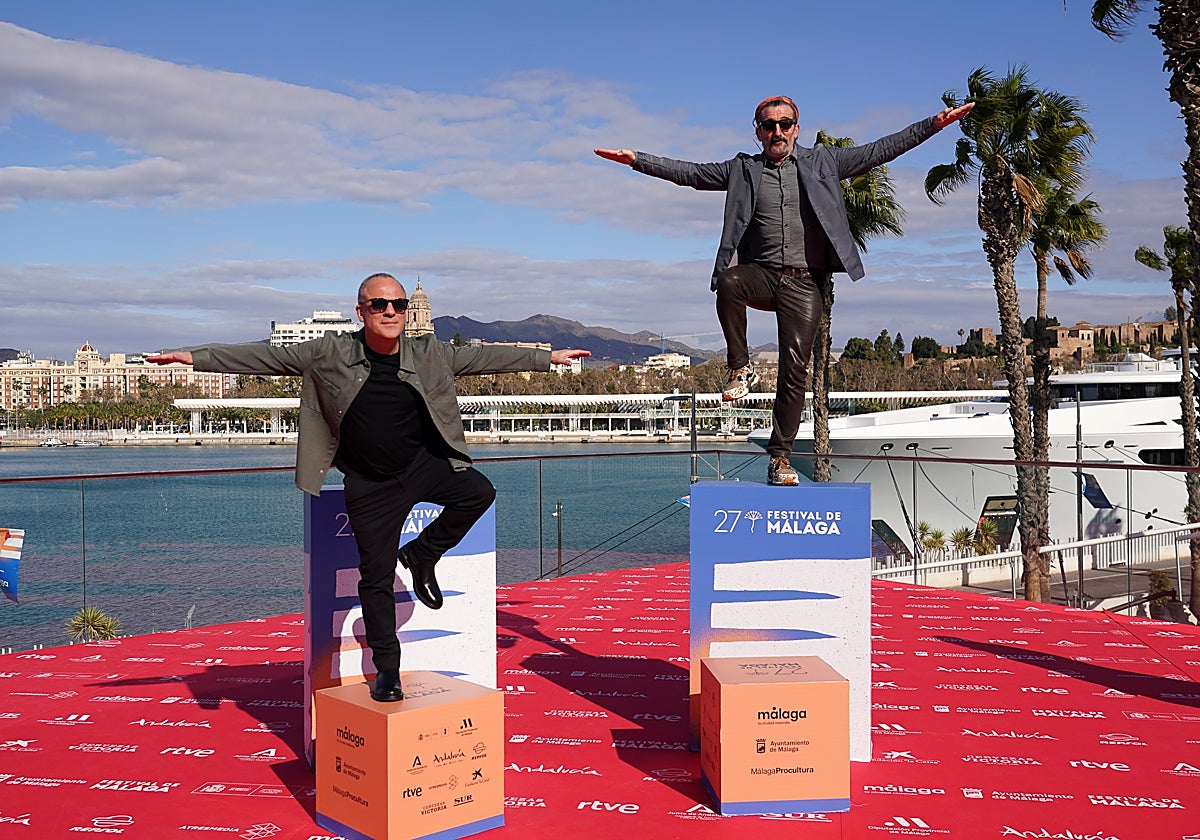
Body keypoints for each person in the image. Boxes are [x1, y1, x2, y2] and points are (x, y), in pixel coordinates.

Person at [146, 273, 590, 702]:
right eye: (380, 304)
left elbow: (485, 358)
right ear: (361, 311)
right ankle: (388, 670)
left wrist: (546, 358)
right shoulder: (330, 352)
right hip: (369, 484)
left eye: (400, 304)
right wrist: (192, 357)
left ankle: (423, 553)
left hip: (422, 466)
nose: (391, 311)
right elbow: (261, 357)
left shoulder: (429, 352)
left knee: (478, 493)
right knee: (375, 579)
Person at [596, 96, 973, 486]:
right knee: (729, 281)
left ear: (796, 127)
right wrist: (636, 160)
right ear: (757, 131)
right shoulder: (742, 169)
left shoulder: (825, 162)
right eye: (768, 125)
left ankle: (780, 460)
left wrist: (933, 124)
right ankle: (740, 367)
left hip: (804, 282)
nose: (777, 131)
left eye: (784, 123)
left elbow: (881, 149)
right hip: (760, 275)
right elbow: (690, 173)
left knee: (794, 372)